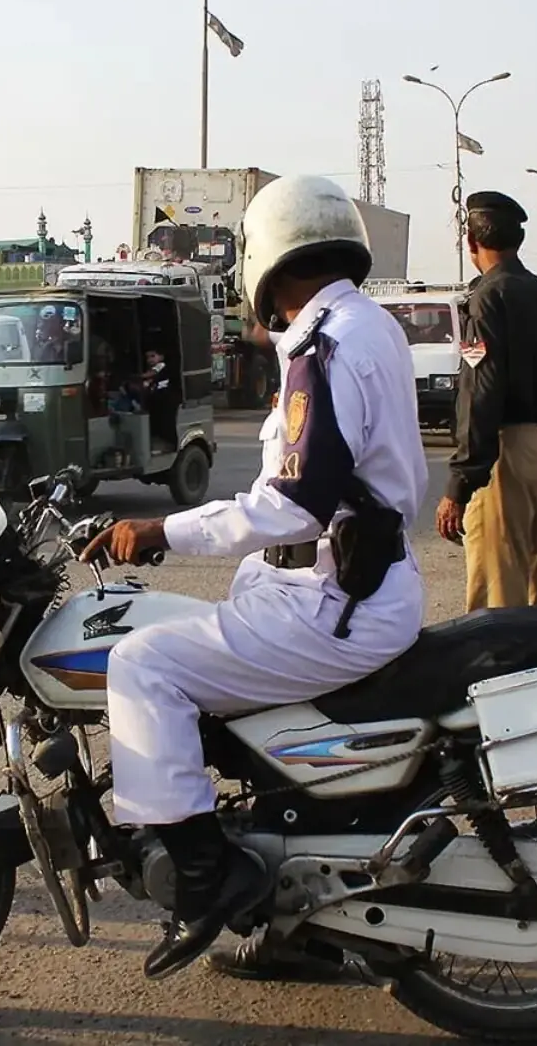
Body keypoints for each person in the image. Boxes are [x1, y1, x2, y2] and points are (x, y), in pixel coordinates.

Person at [82, 175, 427, 982]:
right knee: (214, 693)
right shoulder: (364, 323)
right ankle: (300, 925)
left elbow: (295, 505)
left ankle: (203, 876)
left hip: (335, 603)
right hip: (341, 588)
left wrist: (161, 529)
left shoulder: (324, 343)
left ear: (268, 261)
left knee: (142, 663)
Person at [434, 190, 537, 611]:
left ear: (471, 243)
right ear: (518, 240)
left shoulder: (485, 299)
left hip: (511, 454)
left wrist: (460, 484)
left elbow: (481, 391)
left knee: (498, 597)